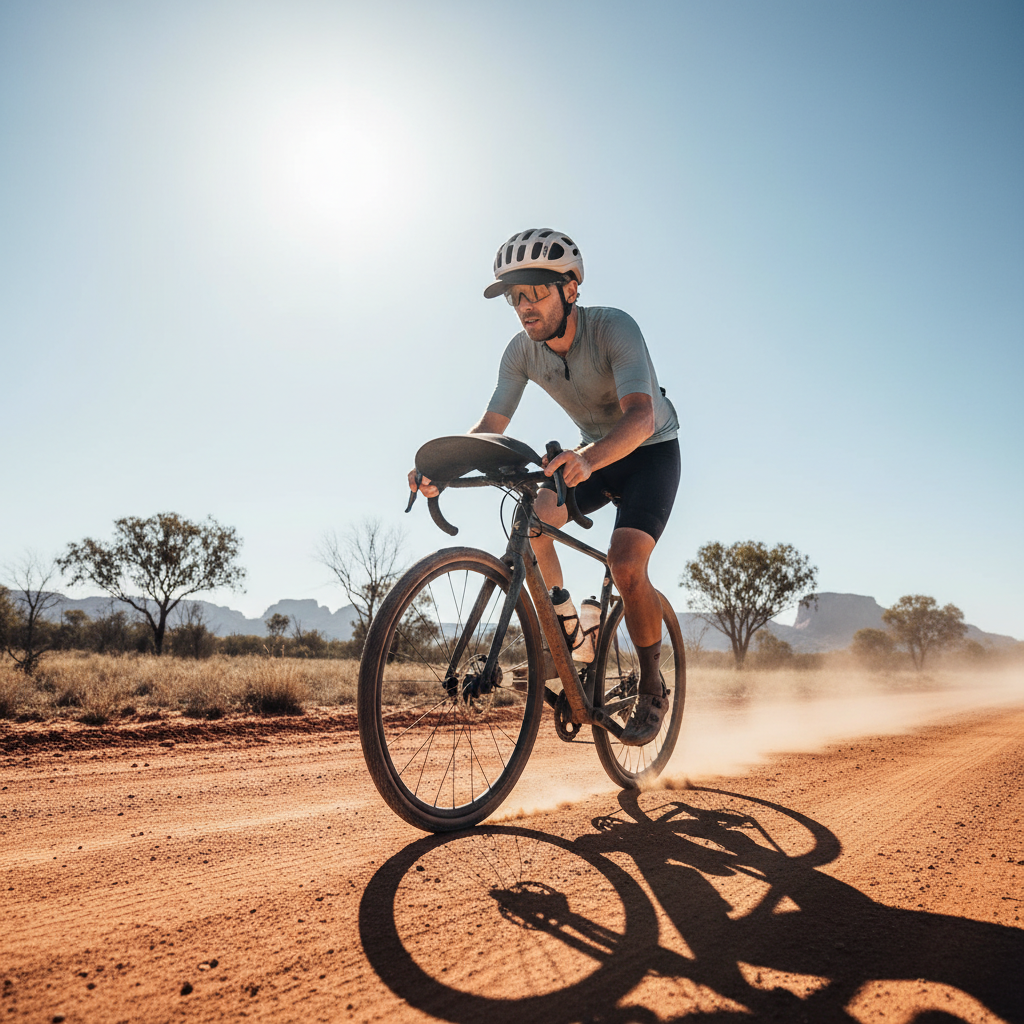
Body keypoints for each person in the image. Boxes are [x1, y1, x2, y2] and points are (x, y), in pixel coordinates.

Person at [409, 228, 680, 745]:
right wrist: (442, 464)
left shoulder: (614, 329)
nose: (524, 306)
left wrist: (588, 457)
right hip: (590, 455)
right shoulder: (521, 353)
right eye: (516, 297)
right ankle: (573, 632)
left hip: (648, 452)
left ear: (570, 290)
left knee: (625, 563)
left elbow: (642, 418)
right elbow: (491, 423)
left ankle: (652, 686)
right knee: (533, 523)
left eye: (535, 292)